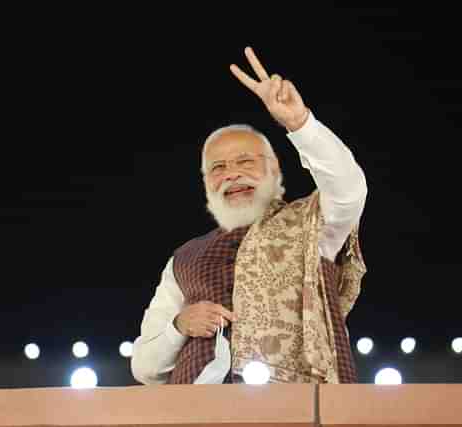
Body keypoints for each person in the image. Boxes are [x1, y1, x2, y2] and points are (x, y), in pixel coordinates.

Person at [131, 47, 367, 384]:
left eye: (245, 162)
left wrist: (299, 124)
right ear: (206, 182)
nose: (232, 175)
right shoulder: (184, 257)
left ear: (274, 170)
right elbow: (144, 367)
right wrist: (179, 326)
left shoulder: (312, 224)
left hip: (296, 408)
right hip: (198, 414)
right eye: (219, 167)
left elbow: (349, 189)